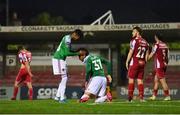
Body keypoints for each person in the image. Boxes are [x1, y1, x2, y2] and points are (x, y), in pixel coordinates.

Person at [52, 29, 83, 103]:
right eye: (78, 37)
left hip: (61, 59)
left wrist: (76, 52)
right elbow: (66, 53)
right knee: (64, 78)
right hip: (59, 59)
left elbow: (68, 51)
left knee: (64, 78)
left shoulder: (68, 38)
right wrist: (77, 53)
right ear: (75, 34)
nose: (77, 39)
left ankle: (57, 97)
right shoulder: (67, 39)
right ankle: (62, 98)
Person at [126, 26, 149, 102]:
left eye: (133, 32)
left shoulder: (134, 41)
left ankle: (130, 98)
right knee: (140, 80)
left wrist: (127, 61)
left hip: (135, 62)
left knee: (131, 79)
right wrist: (144, 62)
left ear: (137, 32)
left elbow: (131, 52)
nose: (132, 33)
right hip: (142, 63)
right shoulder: (146, 42)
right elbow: (146, 56)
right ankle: (141, 98)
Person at [148, 33, 171, 101]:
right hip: (164, 65)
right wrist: (166, 63)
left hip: (159, 66)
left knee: (163, 81)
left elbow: (152, 54)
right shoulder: (165, 45)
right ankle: (154, 96)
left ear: (156, 37)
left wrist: (146, 59)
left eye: (155, 37)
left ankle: (167, 96)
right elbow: (168, 56)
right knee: (156, 80)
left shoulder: (156, 45)